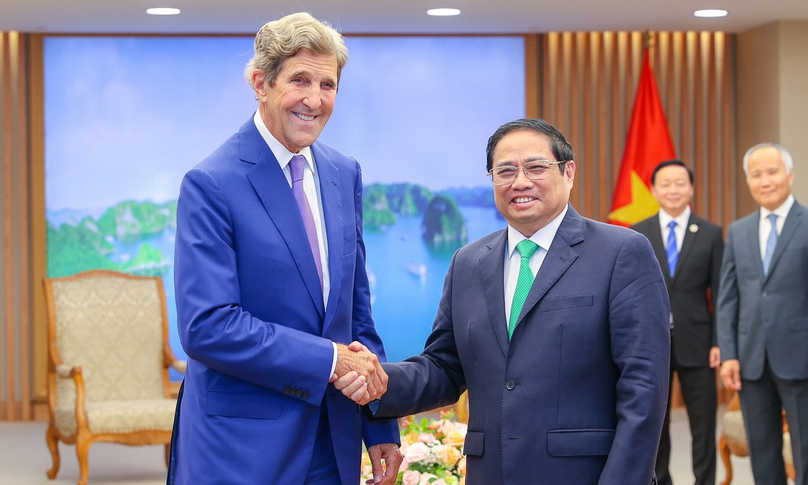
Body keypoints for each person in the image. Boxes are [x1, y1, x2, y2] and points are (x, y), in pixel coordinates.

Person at [337, 118, 670, 484]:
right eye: (505, 170)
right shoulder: (468, 262)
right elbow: (444, 368)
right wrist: (378, 380)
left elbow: (643, 389)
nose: (520, 181)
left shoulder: (621, 252)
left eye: (536, 167)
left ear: (568, 172)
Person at [167, 12, 401, 485]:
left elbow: (356, 314)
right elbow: (207, 326)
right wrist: (331, 361)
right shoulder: (210, 183)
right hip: (239, 449)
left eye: (328, 84)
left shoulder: (345, 173)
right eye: (299, 80)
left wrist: (379, 422)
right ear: (260, 82)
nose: (314, 100)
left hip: (332, 440)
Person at [718, 143, 808, 485]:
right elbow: (728, 298)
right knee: (763, 451)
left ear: (790, 175)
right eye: (756, 174)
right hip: (751, 360)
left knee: (805, 449)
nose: (765, 180)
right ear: (748, 181)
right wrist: (729, 354)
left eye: (772, 171)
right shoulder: (739, 231)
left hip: (800, 357)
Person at [631, 159, 723, 485]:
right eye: (666, 184)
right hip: (652, 344)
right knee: (657, 423)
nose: (673, 190)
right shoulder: (637, 234)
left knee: (703, 423)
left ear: (691, 188)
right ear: (654, 189)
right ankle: (660, 481)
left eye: (680, 183)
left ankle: (705, 481)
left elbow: (721, 293)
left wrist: (718, 342)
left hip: (699, 343)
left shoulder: (711, 233)